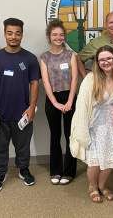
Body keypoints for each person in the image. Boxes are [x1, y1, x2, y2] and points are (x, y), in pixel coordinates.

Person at [0, 18, 40, 193]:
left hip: (23, 113)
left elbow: (34, 84)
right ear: (4, 34)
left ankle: (23, 170)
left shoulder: (30, 59)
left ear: (22, 35)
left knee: (23, 146)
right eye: (10, 33)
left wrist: (32, 107)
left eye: (17, 33)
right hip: (0, 113)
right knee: (0, 147)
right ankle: (0, 174)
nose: (13, 36)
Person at [70, 45, 113, 203]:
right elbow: (81, 106)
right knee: (94, 162)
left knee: (109, 159)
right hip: (93, 125)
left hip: (109, 126)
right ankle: (92, 187)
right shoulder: (90, 79)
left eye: (109, 58)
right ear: (97, 62)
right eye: (102, 59)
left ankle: (102, 186)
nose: (106, 62)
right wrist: (82, 130)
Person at [40, 20, 78, 185]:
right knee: (55, 136)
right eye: (55, 34)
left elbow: (75, 78)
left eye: (61, 34)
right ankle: (55, 170)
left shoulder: (71, 55)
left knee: (71, 135)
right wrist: (55, 103)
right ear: (49, 36)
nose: (58, 37)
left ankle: (69, 171)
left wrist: (70, 100)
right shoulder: (44, 57)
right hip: (52, 99)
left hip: (69, 98)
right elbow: (45, 81)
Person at [78, 11, 113, 77]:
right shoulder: (95, 43)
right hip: (102, 86)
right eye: (111, 22)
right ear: (106, 24)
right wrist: (86, 78)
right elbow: (78, 58)